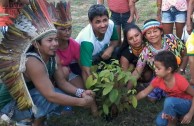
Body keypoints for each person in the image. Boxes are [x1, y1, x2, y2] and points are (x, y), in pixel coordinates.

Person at [0, 1, 97, 126]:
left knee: (59, 93)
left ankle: (35, 120)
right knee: (47, 98)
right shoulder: (32, 61)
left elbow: (62, 82)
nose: (55, 43)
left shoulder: (53, 56)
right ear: (36, 44)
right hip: (9, 106)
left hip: (30, 97)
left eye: (56, 39)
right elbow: (50, 95)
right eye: (50, 40)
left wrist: (81, 93)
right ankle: (21, 121)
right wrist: (81, 102)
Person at [131, 19, 187, 101]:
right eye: (149, 33)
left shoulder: (172, 39)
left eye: (155, 31)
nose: (152, 35)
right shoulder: (146, 51)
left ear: (161, 31)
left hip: (178, 72)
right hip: (161, 78)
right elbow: (137, 71)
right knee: (151, 99)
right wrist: (126, 90)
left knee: (178, 94)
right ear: (145, 36)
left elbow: (185, 55)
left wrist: (181, 70)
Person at [134, 50, 194, 125]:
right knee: (160, 122)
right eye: (155, 68)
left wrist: (190, 114)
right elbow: (144, 92)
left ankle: (173, 122)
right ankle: (176, 117)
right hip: (172, 104)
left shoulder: (180, 81)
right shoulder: (158, 80)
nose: (155, 71)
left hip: (187, 103)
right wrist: (131, 100)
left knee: (169, 102)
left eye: (158, 68)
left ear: (169, 69)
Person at [75, 4, 119, 83]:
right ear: (90, 22)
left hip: (98, 56)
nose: (103, 25)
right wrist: (93, 87)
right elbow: (86, 70)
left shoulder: (111, 25)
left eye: (105, 20)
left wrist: (111, 48)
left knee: (117, 51)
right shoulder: (87, 41)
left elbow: (115, 41)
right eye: (98, 22)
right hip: (81, 63)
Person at [51, 1, 84, 88]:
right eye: (63, 29)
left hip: (67, 73)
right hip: (50, 75)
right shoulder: (50, 45)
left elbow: (83, 67)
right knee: (64, 71)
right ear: (55, 30)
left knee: (82, 89)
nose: (67, 32)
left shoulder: (74, 45)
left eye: (69, 29)